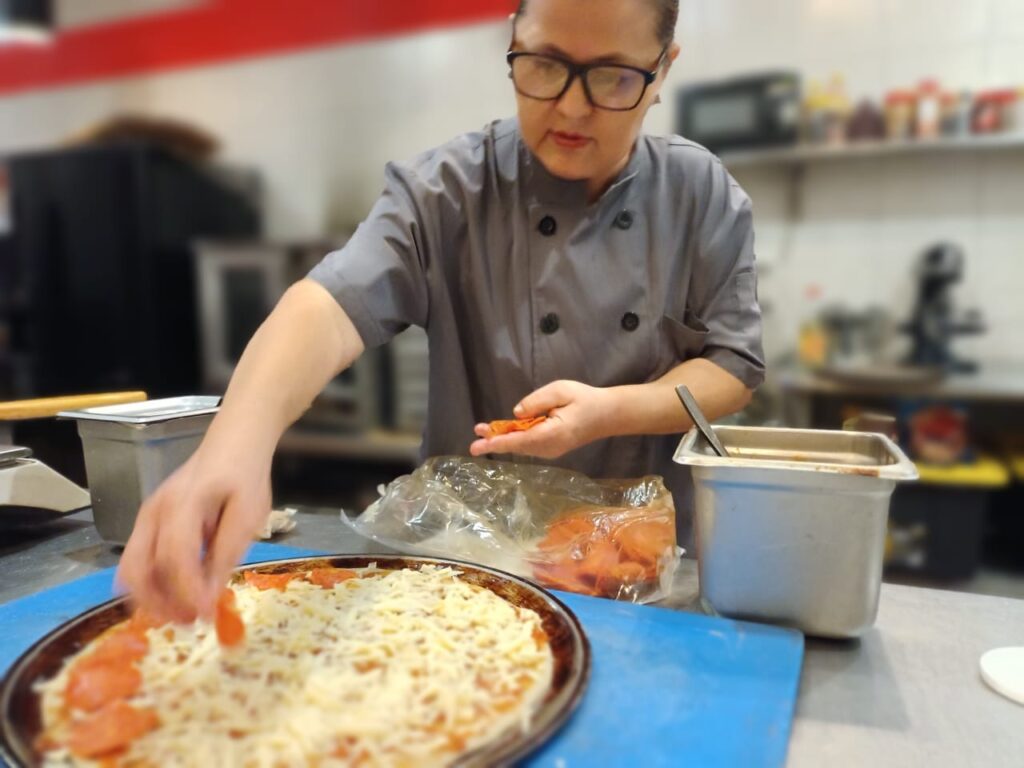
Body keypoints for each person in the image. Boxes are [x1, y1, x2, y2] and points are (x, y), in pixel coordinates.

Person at [118, 0, 764, 623]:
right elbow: (328, 305)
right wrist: (237, 442)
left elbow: (732, 367)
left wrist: (608, 412)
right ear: (514, 36)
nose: (570, 105)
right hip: (465, 576)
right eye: (543, 63)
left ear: (664, 67)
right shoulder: (447, 188)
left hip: (638, 575)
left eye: (613, 76)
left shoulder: (698, 193)